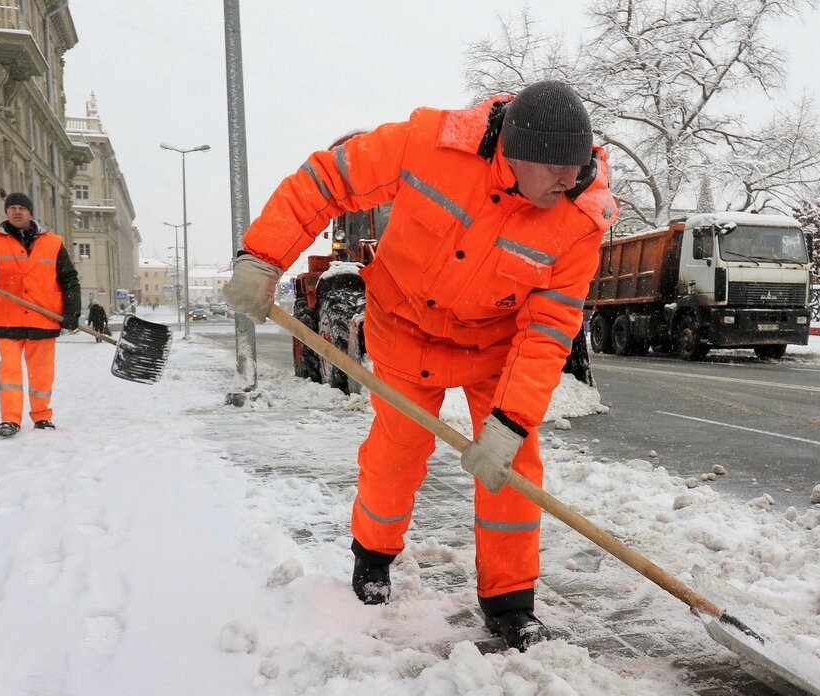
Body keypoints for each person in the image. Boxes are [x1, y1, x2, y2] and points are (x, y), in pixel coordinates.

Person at [224, 79, 618, 650]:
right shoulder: (430, 144)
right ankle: (373, 558)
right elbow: (327, 179)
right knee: (398, 450)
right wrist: (263, 258)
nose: (571, 179)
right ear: (512, 150)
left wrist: (508, 423)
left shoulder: (579, 217)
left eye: (578, 166)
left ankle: (510, 601)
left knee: (513, 468)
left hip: (494, 347)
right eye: (557, 168)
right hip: (404, 327)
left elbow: (550, 325)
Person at [0, 192, 81, 438]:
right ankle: (10, 419)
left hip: (44, 317)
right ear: (7, 212)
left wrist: (72, 311)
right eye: (12, 208)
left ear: (30, 212)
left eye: (22, 208)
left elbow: (69, 279)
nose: (17, 211)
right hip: (7, 318)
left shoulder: (53, 242)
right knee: (10, 372)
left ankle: (41, 416)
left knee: (42, 372)